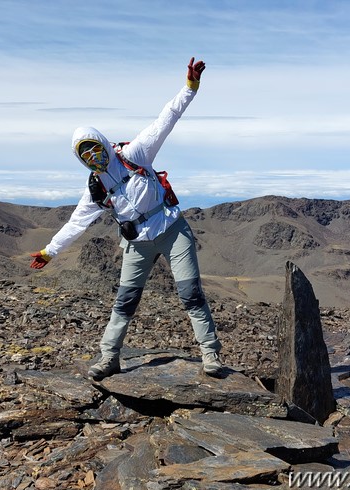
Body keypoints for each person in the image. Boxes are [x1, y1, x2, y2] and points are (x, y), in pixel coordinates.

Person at [30, 57, 223, 380]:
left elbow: (167, 118)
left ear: (103, 143)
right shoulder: (96, 186)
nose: (93, 156)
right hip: (138, 243)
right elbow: (76, 222)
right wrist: (50, 251)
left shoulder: (135, 154)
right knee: (125, 300)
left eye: (94, 148)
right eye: (85, 154)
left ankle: (210, 354)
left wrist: (190, 87)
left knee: (190, 294)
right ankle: (109, 358)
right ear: (81, 160)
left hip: (172, 230)